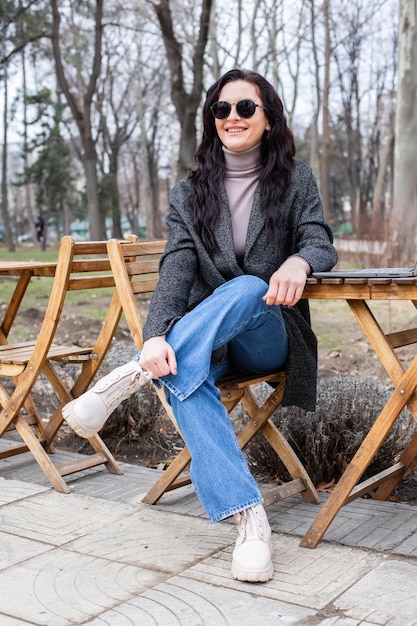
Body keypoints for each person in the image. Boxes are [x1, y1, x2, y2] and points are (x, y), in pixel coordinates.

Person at [63, 68, 338, 583]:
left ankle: (129, 378)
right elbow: (177, 266)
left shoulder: (294, 179)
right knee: (182, 374)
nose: (232, 117)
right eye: (221, 109)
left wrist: (299, 263)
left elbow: (319, 240)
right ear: (211, 119)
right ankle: (250, 524)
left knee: (250, 288)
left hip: (266, 335)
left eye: (245, 108)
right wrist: (155, 335)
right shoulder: (189, 192)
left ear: (269, 118)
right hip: (208, 345)